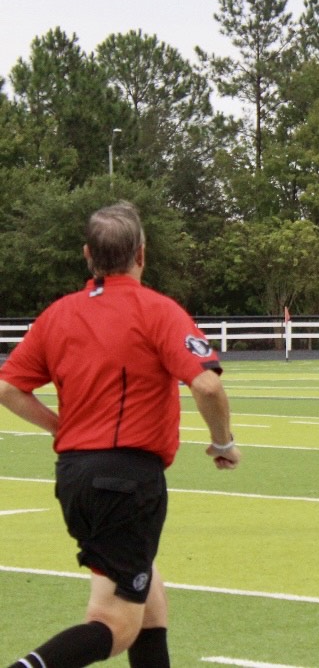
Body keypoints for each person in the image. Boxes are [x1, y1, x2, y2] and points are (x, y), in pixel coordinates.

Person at [0, 201, 240, 668]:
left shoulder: (58, 314)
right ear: (142, 255)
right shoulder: (158, 311)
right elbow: (207, 383)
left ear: (88, 255)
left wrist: (60, 426)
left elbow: (9, 388)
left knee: (148, 588)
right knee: (115, 625)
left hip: (74, 476)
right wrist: (223, 442)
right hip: (128, 481)